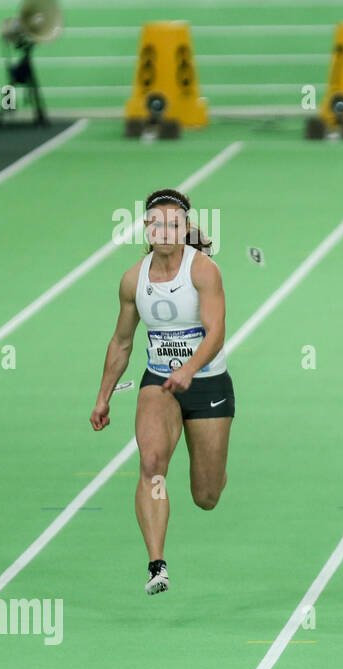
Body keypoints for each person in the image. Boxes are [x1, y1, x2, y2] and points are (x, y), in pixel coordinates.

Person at [90, 188, 233, 594]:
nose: (164, 230)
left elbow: (215, 332)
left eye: (173, 223)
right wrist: (103, 396)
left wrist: (189, 369)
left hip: (207, 385)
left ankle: (215, 472)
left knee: (206, 495)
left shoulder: (203, 271)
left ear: (185, 228)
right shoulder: (134, 280)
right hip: (158, 383)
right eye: (156, 222)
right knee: (152, 464)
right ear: (147, 228)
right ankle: (157, 564)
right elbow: (121, 342)